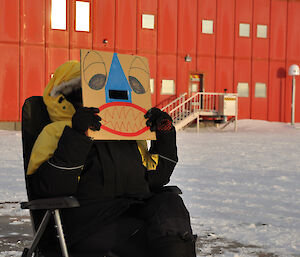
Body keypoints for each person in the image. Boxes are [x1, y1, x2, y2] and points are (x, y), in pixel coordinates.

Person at [27, 60, 196, 257]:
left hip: (132, 210)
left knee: (170, 206)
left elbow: (155, 179)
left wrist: (164, 133)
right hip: (89, 223)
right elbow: (49, 189)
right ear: (69, 97)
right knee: (152, 241)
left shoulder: (126, 134)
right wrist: (78, 136)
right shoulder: (56, 132)